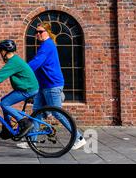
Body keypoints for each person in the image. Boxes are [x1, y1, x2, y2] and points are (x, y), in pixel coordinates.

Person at [16, 22, 87, 150]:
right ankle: (32, 141)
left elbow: (36, 63)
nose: (37, 34)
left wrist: (21, 69)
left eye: (40, 31)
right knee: (36, 113)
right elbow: (39, 67)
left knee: (57, 112)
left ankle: (79, 138)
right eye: (36, 32)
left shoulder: (48, 46)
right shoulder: (44, 46)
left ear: (47, 32)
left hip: (52, 85)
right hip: (43, 85)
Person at [0, 40, 39, 140]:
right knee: (4, 101)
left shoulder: (13, 62)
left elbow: (0, 76)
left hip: (28, 89)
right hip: (27, 88)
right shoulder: (15, 60)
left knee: (4, 104)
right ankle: (7, 130)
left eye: (0, 52)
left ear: (4, 51)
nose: (0, 54)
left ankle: (25, 122)